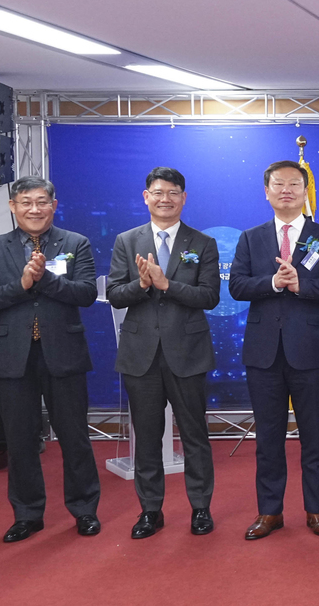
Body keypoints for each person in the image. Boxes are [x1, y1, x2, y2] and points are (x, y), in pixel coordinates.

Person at [0, 176, 101, 543]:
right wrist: (21, 285)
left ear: (53, 206)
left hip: (64, 353)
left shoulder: (75, 243)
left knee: (75, 437)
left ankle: (85, 509)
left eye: (42, 201)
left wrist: (43, 280)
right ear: (13, 206)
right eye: (26, 202)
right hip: (12, 357)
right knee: (20, 439)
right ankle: (27, 514)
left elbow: (87, 293)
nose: (34, 209)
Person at [228, 160, 319, 540]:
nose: (286, 190)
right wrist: (274, 283)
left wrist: (301, 286)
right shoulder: (251, 237)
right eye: (278, 184)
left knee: (314, 436)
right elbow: (237, 287)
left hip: (310, 349)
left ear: (304, 191)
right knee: (268, 438)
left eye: (295, 184)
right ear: (266, 192)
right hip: (263, 353)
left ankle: (316, 509)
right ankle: (270, 512)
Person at [106, 167, 220, 538]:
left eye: (173, 192)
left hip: (187, 351)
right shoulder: (127, 240)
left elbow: (209, 297)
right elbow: (114, 293)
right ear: (146, 197)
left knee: (194, 435)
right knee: (148, 435)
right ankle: (150, 510)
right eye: (158, 192)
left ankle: (200, 508)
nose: (165, 198)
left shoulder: (202, 243)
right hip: (141, 353)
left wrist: (166, 284)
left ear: (183, 198)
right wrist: (141, 284)